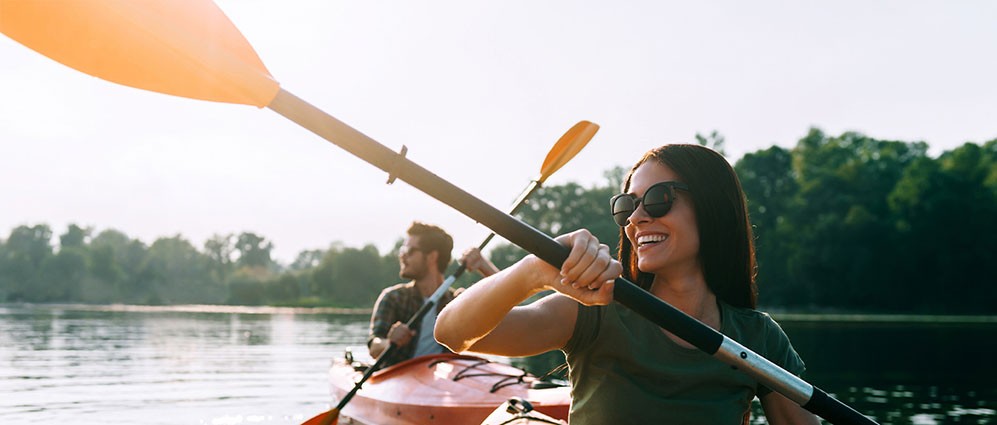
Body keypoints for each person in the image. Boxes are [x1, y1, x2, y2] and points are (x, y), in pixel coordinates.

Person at [435, 144, 820, 425]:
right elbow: (452, 332)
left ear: (713, 208)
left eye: (657, 200)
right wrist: (533, 271)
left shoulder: (758, 339)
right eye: (626, 206)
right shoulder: (594, 310)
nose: (635, 219)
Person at [367, 221, 499, 369]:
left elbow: (506, 300)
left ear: (431, 257)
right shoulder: (393, 298)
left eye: (409, 251)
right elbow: (374, 347)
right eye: (402, 250)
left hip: (441, 382)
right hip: (397, 378)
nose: (402, 256)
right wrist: (389, 342)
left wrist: (483, 265)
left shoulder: (457, 302)